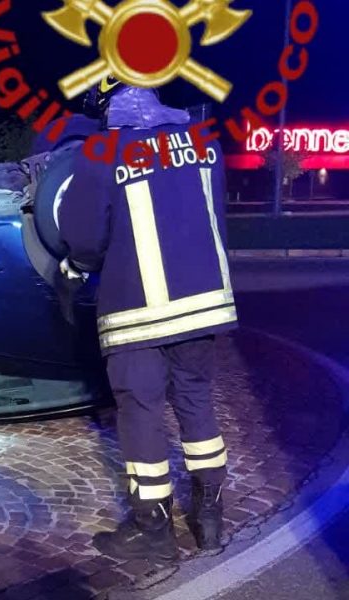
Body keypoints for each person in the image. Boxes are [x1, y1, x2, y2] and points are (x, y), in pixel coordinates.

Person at [57, 77, 238, 560]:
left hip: (137, 310)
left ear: (107, 98)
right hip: (205, 305)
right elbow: (213, 216)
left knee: (141, 410)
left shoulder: (102, 152)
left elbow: (84, 239)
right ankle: (210, 518)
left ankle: (152, 530)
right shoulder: (203, 143)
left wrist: (72, 271)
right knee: (196, 402)